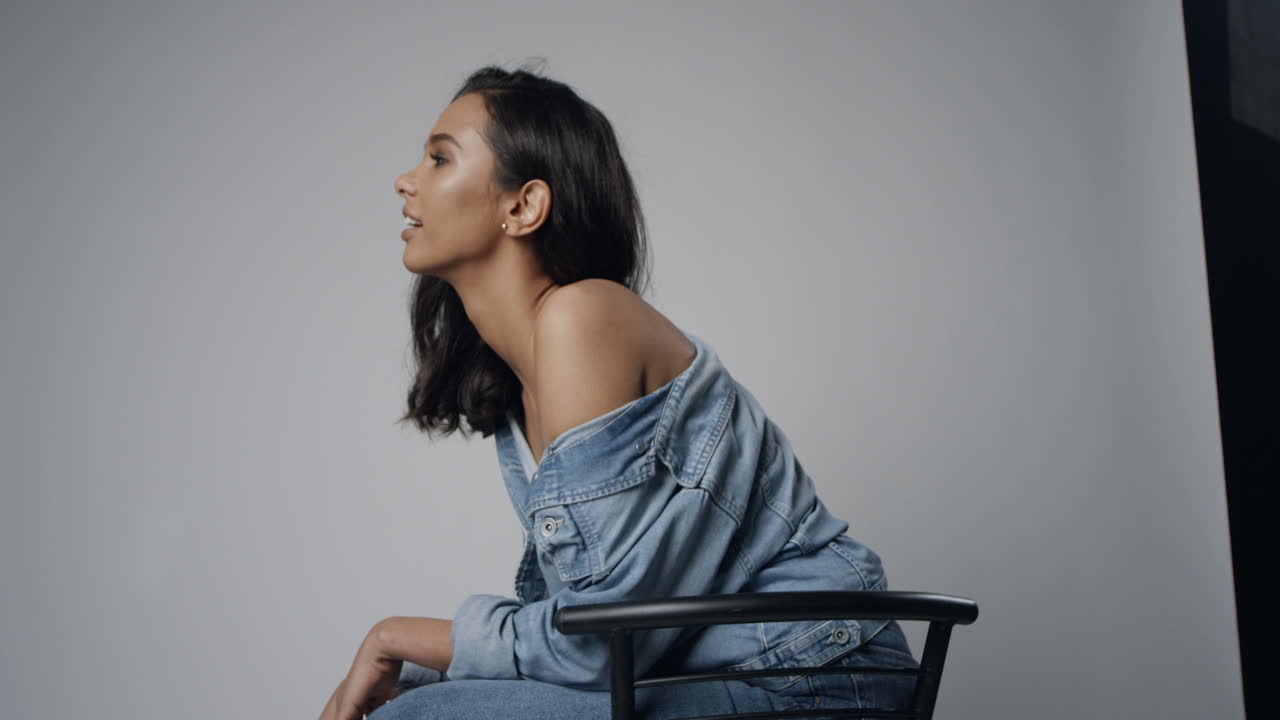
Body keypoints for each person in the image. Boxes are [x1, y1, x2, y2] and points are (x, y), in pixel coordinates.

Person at [318, 63, 918, 720]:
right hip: (702, 672)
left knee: (414, 715)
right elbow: (597, 637)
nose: (404, 182)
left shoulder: (582, 319)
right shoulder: (518, 383)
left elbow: (602, 642)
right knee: (404, 703)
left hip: (811, 677)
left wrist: (394, 636)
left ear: (523, 206)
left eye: (439, 159)